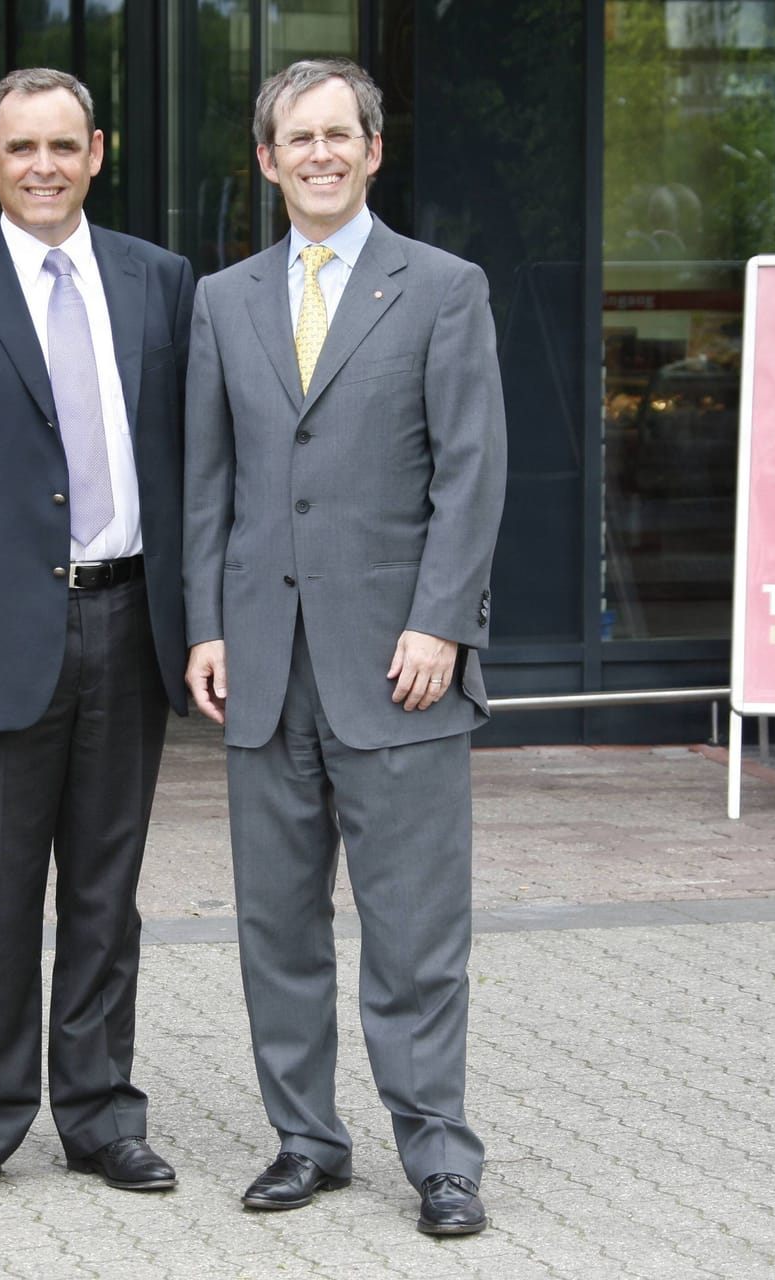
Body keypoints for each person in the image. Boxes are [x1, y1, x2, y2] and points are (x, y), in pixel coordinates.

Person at [182, 58, 507, 1237]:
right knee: (277, 922)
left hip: (399, 662)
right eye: (296, 138)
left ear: (374, 149)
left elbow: (472, 471)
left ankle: (439, 1155)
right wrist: (208, 625)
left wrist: (441, 620)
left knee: (415, 930)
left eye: (340, 134)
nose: (319, 153)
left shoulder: (443, 287)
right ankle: (305, 1140)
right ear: (266, 161)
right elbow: (207, 483)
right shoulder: (225, 300)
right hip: (264, 664)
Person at [0, 67, 193, 1206]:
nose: (45, 167)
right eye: (23, 148)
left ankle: (102, 1113)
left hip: (129, 615)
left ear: (97, 151)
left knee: (107, 890)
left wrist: (199, 625)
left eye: (65, 146)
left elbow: (190, 465)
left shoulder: (162, 283)